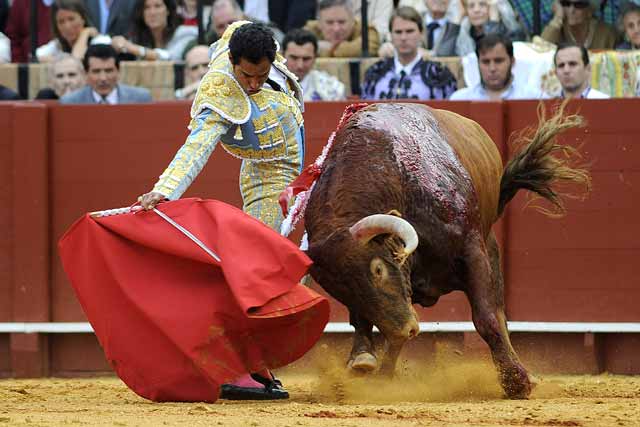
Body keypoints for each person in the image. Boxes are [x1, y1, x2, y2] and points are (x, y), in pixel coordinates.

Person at [137, 21, 304, 400]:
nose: (255, 84)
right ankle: (234, 365)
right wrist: (164, 190)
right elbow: (196, 147)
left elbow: (241, 27)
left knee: (268, 272)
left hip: (289, 176)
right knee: (260, 272)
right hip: (268, 178)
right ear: (232, 63)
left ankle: (252, 360)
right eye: (247, 75)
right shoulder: (219, 92)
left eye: (263, 75)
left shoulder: (245, 37)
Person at [361, 6, 457, 100]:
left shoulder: (438, 74)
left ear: (421, 33)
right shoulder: (375, 72)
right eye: (398, 32)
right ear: (390, 35)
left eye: (409, 31)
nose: (403, 38)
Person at [449, 33, 540, 100]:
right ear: (478, 63)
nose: (492, 68)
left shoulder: (533, 97)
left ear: (512, 62)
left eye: (498, 61)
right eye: (485, 62)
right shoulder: (459, 99)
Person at [60, 43, 152, 104]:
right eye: (96, 71)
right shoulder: (70, 102)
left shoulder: (140, 98)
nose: (103, 78)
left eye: (109, 71)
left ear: (118, 71)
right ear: (86, 74)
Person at [110, 0, 197, 61]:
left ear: (168, 10)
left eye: (157, 6)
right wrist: (118, 44)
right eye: (147, 7)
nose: (152, 12)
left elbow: (169, 57)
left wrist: (134, 49)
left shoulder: (186, 33)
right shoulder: (137, 38)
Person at [380, 0, 461, 58]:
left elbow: (467, 58)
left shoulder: (458, 29)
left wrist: (430, 55)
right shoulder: (411, 21)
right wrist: (387, 47)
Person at [282, 28, 346, 101]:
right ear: (282, 56)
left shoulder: (332, 89)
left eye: (306, 59)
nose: (300, 65)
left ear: (315, 57)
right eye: (294, 58)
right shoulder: (268, 87)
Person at [304, 0, 380, 57]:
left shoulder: (366, 29)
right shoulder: (311, 29)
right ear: (319, 23)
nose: (336, 29)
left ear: (353, 21)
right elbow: (299, 48)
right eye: (330, 23)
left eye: (341, 22)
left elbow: (368, 47)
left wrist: (327, 49)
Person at [455, 0, 525, 57]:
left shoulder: (510, 32)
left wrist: (493, 21)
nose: (476, 10)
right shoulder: (465, 32)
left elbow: (492, 54)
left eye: (482, 4)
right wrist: (457, 20)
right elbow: (446, 54)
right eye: (471, 6)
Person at [541, 0, 618, 49]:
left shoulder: (607, 33)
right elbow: (540, 49)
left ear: (590, 11)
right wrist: (558, 17)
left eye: (579, 5)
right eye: (566, 3)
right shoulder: (556, 29)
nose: (571, 10)